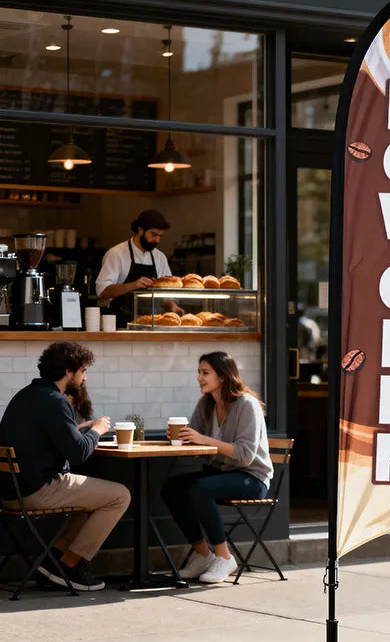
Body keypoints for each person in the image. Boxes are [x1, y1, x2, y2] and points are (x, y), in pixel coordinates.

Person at [0, 342, 130, 592]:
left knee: (89, 502)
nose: (85, 377)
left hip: (11, 493)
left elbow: (47, 437)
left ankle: (54, 562)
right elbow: (79, 453)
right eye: (82, 371)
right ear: (69, 371)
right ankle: (70, 565)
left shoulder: (26, 395)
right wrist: (97, 430)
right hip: (36, 491)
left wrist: (79, 431)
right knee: (119, 496)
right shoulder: (55, 401)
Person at [161, 352, 273, 584]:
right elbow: (197, 438)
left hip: (252, 477)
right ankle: (203, 555)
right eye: (199, 372)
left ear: (222, 376)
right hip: (221, 472)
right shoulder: (207, 404)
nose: (199, 378)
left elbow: (244, 455)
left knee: (199, 488)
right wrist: (180, 437)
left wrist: (204, 439)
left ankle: (224, 557)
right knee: (172, 488)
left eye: (205, 373)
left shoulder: (246, 405)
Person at [96, 209, 181, 328]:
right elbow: (102, 291)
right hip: (120, 326)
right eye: (154, 235)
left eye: (160, 236)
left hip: (151, 326)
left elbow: (164, 296)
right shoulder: (117, 254)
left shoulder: (159, 257)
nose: (157, 240)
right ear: (140, 230)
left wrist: (172, 307)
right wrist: (133, 285)